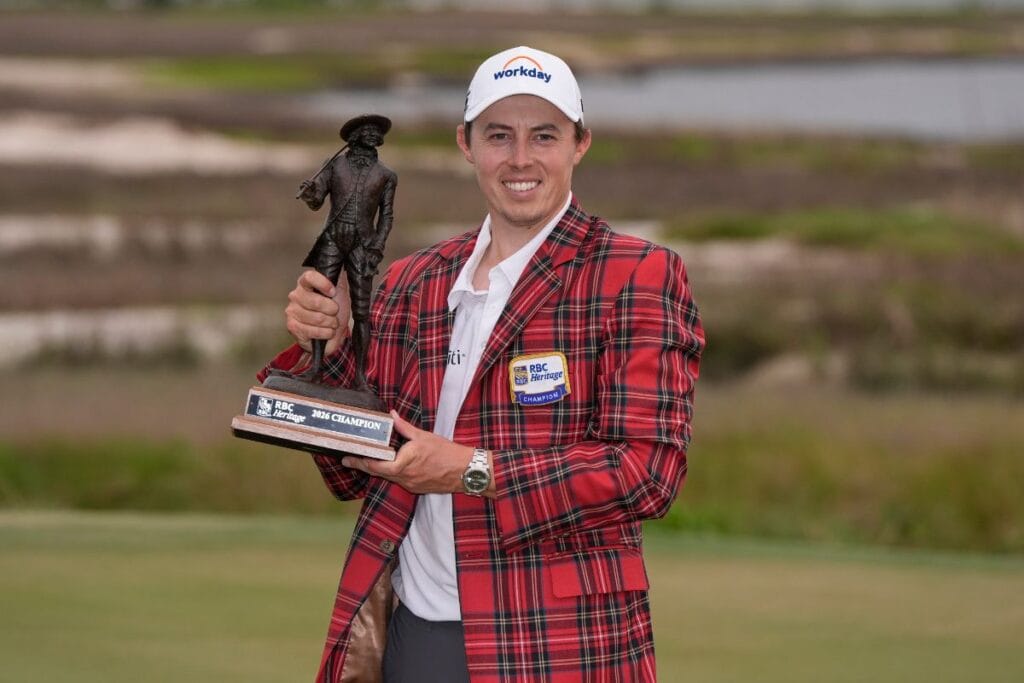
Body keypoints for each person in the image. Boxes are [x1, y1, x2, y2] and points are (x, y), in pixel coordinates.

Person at [259, 45, 704, 683]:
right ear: (466, 144)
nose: (520, 159)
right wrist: (326, 349)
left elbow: (646, 473)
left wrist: (471, 471)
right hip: (416, 631)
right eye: (498, 135)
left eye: (543, 135)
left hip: (559, 644)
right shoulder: (414, 281)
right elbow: (349, 474)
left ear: (579, 144)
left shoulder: (638, 273)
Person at [295, 113, 396, 388]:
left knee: (362, 311)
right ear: (355, 135)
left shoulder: (387, 175)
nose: (374, 134)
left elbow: (386, 217)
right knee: (322, 302)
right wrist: (310, 193)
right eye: (368, 130)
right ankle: (316, 366)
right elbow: (317, 200)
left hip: (363, 245)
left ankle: (361, 377)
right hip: (333, 238)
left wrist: (377, 247)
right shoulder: (334, 165)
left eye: (377, 131)